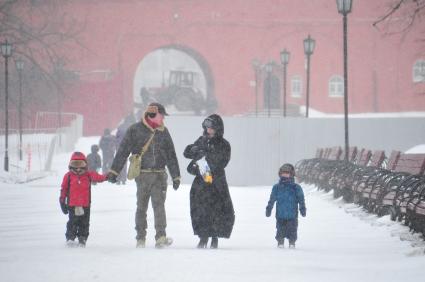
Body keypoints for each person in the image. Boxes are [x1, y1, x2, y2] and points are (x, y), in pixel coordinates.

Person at [107, 102, 181, 248]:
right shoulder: (134, 130)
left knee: (159, 206)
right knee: (141, 207)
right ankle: (140, 238)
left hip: (160, 176)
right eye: (162, 116)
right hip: (142, 176)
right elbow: (123, 151)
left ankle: (161, 236)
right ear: (152, 114)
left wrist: (176, 176)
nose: (163, 119)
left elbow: (171, 155)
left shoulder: (164, 132)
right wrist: (114, 171)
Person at [183, 114, 235, 249]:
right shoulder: (202, 140)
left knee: (217, 211)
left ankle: (214, 237)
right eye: (206, 128)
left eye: (211, 128)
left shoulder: (224, 144)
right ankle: (203, 237)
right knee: (200, 210)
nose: (208, 130)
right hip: (201, 184)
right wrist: (193, 149)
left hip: (216, 183)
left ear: (217, 128)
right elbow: (187, 153)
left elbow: (222, 162)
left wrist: (206, 157)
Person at [59, 152, 107, 247]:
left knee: (84, 223)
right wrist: (62, 200)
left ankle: (82, 238)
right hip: (72, 205)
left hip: (85, 204)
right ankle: (70, 238)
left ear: (85, 165)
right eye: (75, 165)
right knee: (72, 222)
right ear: (70, 165)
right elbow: (64, 189)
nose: (78, 168)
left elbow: (99, 177)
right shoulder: (68, 176)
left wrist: (108, 176)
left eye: (81, 165)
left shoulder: (88, 175)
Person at [265, 163, 306, 249]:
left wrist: (302, 208)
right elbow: (272, 199)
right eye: (283, 173)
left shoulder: (296, 188)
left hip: (292, 215)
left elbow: (301, 199)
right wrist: (269, 208)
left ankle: (292, 242)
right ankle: (280, 242)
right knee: (280, 230)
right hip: (280, 215)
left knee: (292, 229)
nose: (285, 175)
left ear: (291, 174)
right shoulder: (277, 187)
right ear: (280, 174)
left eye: (287, 173)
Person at [115, 114, 136, 185]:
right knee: (124, 163)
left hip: (119, 147)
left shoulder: (120, 127)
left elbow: (117, 137)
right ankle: (123, 179)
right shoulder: (131, 127)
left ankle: (118, 178)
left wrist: (116, 146)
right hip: (126, 147)